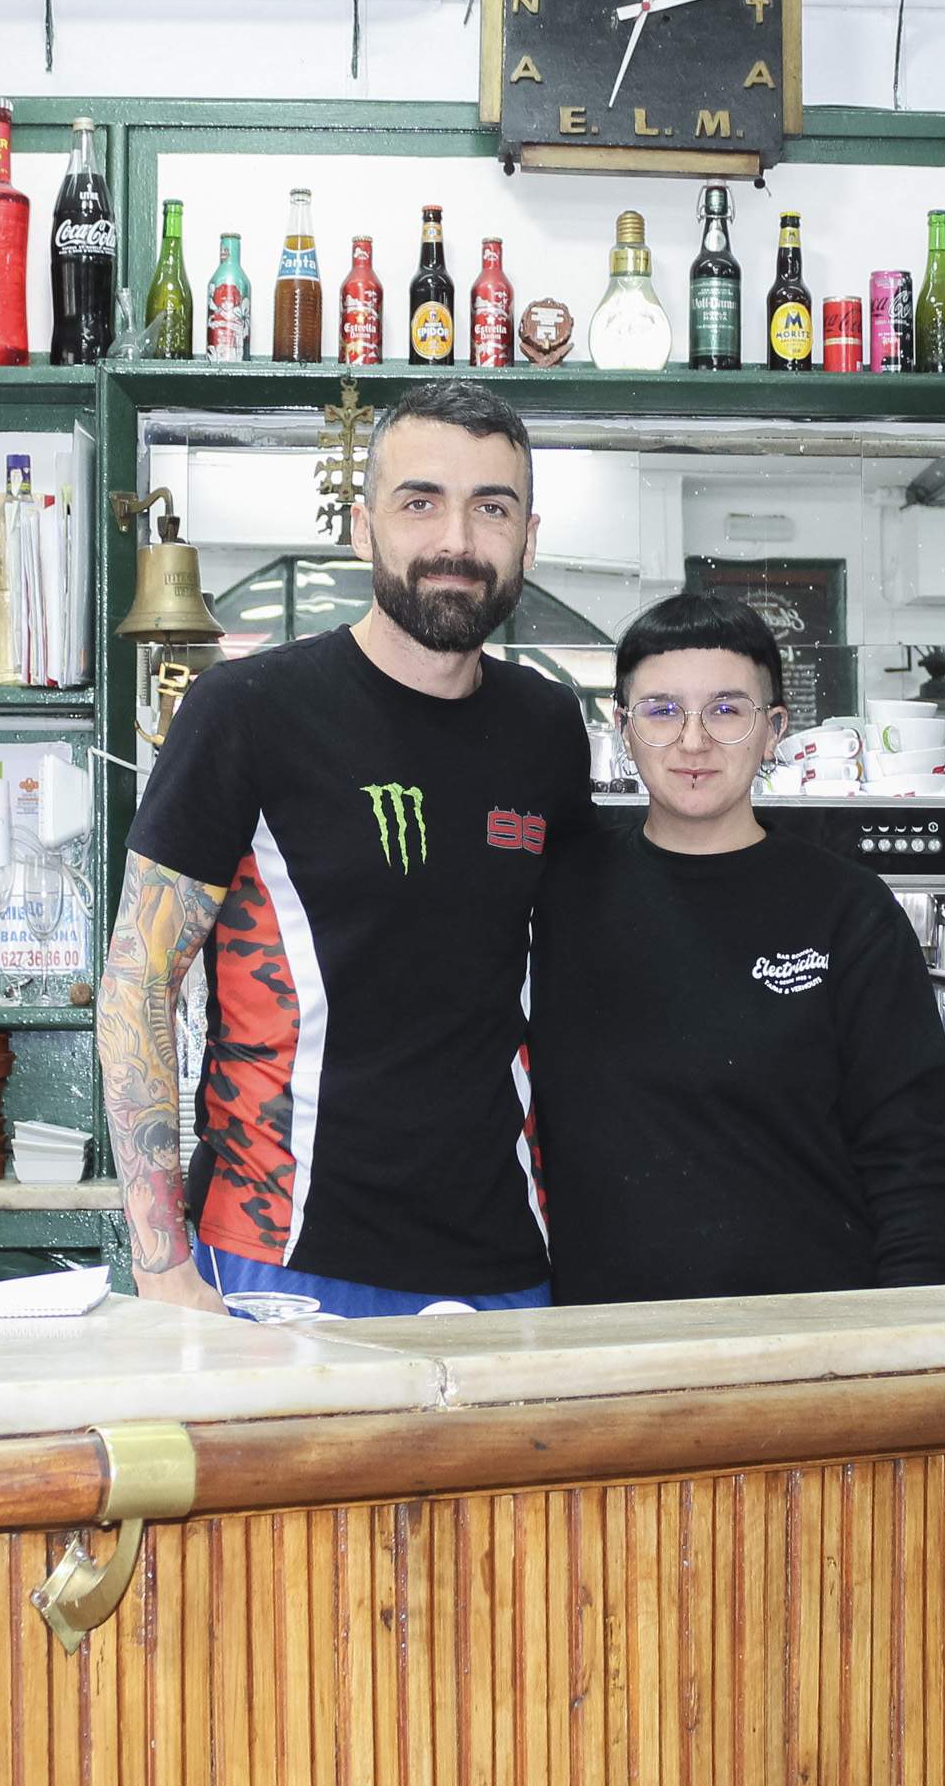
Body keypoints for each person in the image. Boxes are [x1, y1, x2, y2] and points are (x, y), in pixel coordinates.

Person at [101, 379, 594, 1319]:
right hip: (281, 1260)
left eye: (492, 507)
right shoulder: (248, 711)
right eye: (421, 503)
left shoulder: (546, 725)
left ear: (529, 539)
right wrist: (161, 1260)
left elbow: (557, 983)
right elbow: (139, 975)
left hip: (505, 1262)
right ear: (364, 527)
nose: (456, 540)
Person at [529, 593, 945, 1305]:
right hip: (600, 1341)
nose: (693, 741)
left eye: (727, 711)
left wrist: (907, 1338)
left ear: (773, 733)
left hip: (808, 1339)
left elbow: (910, 1155)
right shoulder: (559, 898)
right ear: (624, 727)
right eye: (662, 711)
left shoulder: (846, 911)